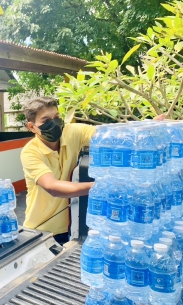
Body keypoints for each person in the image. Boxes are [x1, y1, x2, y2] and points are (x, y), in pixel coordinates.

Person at [20, 96, 166, 245]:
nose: (54, 123)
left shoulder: (72, 132)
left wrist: (144, 129)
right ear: (32, 127)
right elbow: (53, 187)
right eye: (46, 121)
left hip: (68, 227)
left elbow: (111, 136)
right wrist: (103, 187)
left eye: (56, 117)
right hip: (40, 230)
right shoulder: (30, 153)